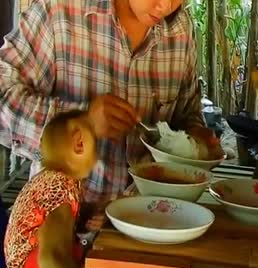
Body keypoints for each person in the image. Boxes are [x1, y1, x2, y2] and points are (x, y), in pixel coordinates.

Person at [0, 0, 222, 207]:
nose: (165, 6)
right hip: (63, 229)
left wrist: (196, 139)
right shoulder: (59, 11)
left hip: (154, 222)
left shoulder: (181, 30)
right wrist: (83, 123)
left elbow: (187, 112)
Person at [4, 110, 97, 268]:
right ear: (79, 143)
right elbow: (51, 257)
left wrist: (93, 214)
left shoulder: (50, 179)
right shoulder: (61, 189)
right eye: (95, 142)